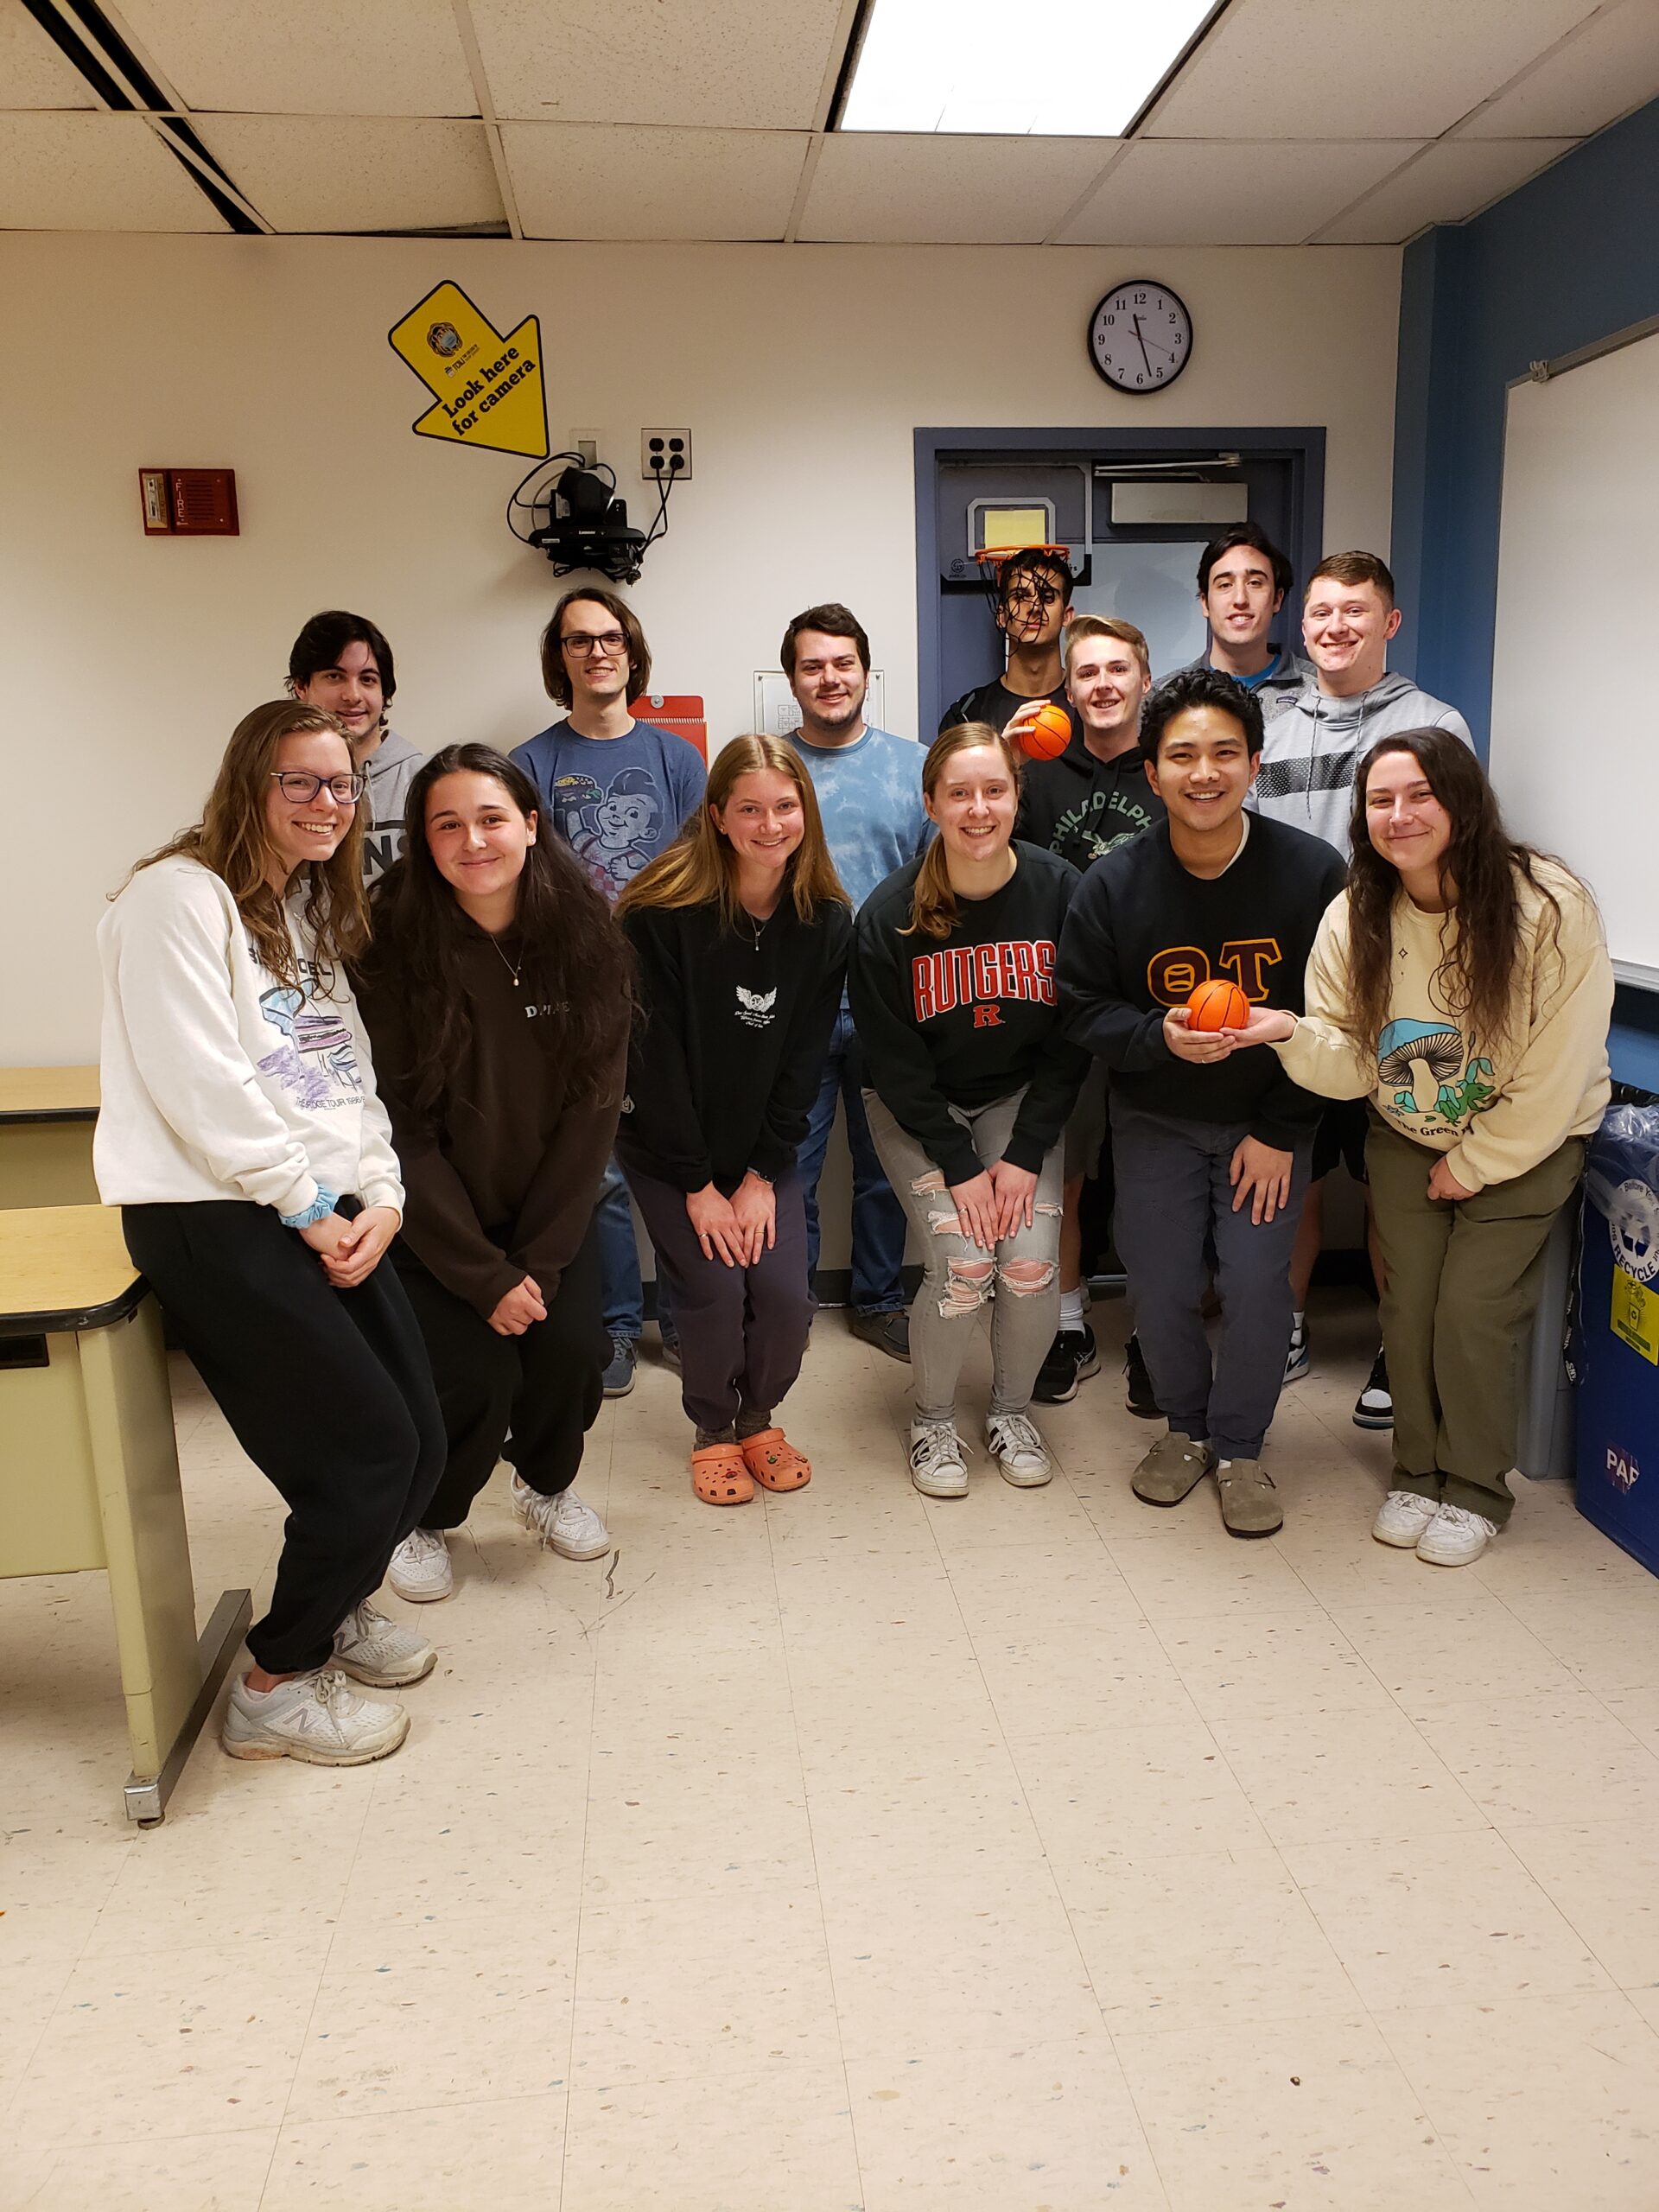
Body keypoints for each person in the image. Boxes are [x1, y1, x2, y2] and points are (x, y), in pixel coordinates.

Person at [94, 701, 445, 1766]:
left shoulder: (300, 916)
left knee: (423, 1441)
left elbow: (347, 1079)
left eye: (342, 785)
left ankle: (333, 1606)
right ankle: (273, 1683)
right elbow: (204, 1081)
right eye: (301, 781)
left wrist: (379, 1196)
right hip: (218, 1213)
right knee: (367, 1452)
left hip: (315, 1207)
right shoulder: (177, 898)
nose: (328, 803)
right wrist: (304, 1205)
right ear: (249, 782)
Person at [1228, 731, 1611, 1566]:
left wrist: (1471, 1164)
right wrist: (1286, 1033)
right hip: (1406, 1130)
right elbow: (1351, 1059)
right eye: (1379, 801)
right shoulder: (1356, 913)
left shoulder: (1548, 905)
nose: (1399, 817)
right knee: (1406, 1307)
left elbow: (1557, 1070)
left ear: (1462, 801)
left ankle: (1476, 1488)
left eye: (1419, 795)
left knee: (1472, 1311)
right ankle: (1417, 1470)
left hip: (1528, 1138)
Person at [1058, 666, 1344, 1536]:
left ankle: (1242, 1447)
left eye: (1225, 751)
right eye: (1181, 754)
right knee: (1161, 1283)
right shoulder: (1111, 884)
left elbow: (1336, 1020)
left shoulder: (1312, 872)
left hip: (1269, 1121)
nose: (1203, 772)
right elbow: (1080, 1006)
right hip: (1153, 1119)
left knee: (1258, 1286)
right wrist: (1157, 1037)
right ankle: (1185, 1430)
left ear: (1255, 763)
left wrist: (1282, 1130)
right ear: (1151, 772)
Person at [354, 745, 632, 1600]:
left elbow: (592, 1114)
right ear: (423, 844)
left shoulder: (587, 938)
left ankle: (545, 1486)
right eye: (448, 824)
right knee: (472, 1378)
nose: (473, 840)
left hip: (548, 1221)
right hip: (435, 1227)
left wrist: (537, 1268)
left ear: (530, 827)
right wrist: (483, 1276)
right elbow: (404, 1132)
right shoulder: (392, 950)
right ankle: (427, 1515)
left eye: (491, 818)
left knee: (571, 1355)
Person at [1255, 551, 1473, 1422]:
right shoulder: (1268, 718)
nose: (1335, 626)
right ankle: (1290, 1326)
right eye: (1320, 612)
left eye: (1356, 611)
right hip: (1291, 990)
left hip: (1401, 988)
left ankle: (1396, 1340)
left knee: (1395, 1177)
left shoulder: (1433, 722)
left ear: (1389, 623)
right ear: (1300, 624)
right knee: (1291, 1172)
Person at [850, 722, 1087, 1499]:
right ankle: (931, 1419)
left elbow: (1071, 1040)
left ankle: (1012, 1412)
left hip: (1020, 1100)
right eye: (959, 793)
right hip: (919, 1108)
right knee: (962, 1266)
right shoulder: (889, 915)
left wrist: (1020, 1157)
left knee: (1027, 1267)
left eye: (995, 790)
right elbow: (895, 1065)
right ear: (931, 804)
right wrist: (960, 1168)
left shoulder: (1060, 891)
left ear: (1018, 797)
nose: (978, 808)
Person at [614, 736, 849, 1505]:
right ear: (717, 817)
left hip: (759, 1150)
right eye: (749, 808)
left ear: (805, 814)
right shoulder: (659, 914)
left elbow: (803, 1059)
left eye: (785, 807)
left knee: (784, 1296)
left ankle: (758, 1420)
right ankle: (713, 1429)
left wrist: (756, 1176)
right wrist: (697, 1186)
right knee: (714, 1290)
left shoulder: (824, 921)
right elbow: (652, 1064)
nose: (770, 823)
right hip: (666, 1147)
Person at [511, 588, 706, 1399]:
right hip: (575, 992)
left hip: (668, 986)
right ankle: (621, 1323)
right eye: (578, 640)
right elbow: (519, 886)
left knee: (691, 1153)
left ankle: (693, 1322)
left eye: (610, 637)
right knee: (600, 1170)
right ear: (559, 658)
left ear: (632, 651)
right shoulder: (531, 764)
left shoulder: (677, 759)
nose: (597, 651)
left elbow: (704, 877)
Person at [1007, 614, 1161, 1409]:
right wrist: (1000, 756)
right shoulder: (1038, 771)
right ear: (1067, 688)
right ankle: (1066, 1324)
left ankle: (1149, 1332)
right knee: (1059, 1172)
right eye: (1087, 673)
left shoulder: (1170, 765)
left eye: (1117, 670)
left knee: (1146, 1177)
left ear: (1143, 679)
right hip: (1057, 1003)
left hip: (1152, 1001)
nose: (1102, 685)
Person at [779, 601, 931, 1362]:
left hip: (887, 1007)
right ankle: (790, 1304)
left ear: (867, 673)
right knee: (788, 1169)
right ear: (792, 679)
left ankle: (877, 1300)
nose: (829, 678)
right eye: (813, 666)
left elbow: (943, 890)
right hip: (790, 1008)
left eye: (843, 663)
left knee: (884, 1172)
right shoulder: (766, 769)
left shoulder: (916, 766)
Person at [287, 610, 423, 885]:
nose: (352, 695)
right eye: (334, 677)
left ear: (384, 693)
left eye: (368, 679)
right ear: (302, 686)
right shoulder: (275, 779)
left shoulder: (424, 779)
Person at [939, 545, 1077, 741]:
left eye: (1047, 597)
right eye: (1020, 597)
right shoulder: (967, 717)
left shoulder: (1089, 707)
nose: (1035, 608)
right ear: (1002, 616)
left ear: (1066, 615)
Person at [1181, 523, 1313, 723]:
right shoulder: (1167, 695)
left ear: (1277, 599)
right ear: (1205, 602)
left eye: (1255, 583)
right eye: (1225, 585)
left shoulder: (1318, 689)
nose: (1240, 599)